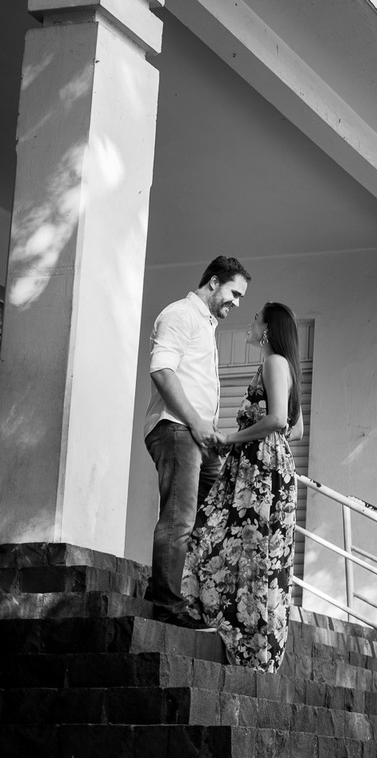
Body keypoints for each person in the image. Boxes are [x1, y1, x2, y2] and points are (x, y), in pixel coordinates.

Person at [182, 301, 304, 672]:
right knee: (250, 549)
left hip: (260, 470)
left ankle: (241, 633)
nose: (250, 322)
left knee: (240, 544)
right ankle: (248, 638)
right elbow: (295, 430)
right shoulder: (281, 366)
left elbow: (280, 420)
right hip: (263, 468)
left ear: (267, 329)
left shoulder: (273, 363)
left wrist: (234, 439)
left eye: (255, 318)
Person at [144, 256, 251, 628]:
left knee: (212, 515)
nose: (237, 303)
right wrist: (195, 423)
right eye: (234, 293)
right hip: (177, 429)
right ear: (214, 281)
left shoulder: (206, 324)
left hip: (199, 438)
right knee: (180, 518)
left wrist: (208, 431)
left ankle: (162, 587)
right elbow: (161, 370)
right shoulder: (180, 314)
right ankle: (167, 606)